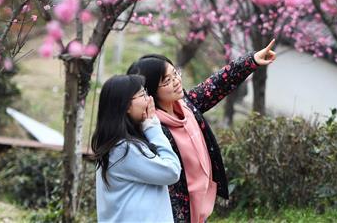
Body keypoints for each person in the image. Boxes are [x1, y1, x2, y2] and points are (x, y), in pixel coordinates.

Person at [127, 39, 277, 223]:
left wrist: (251, 61)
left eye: (175, 74)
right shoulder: (152, 130)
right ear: (150, 90)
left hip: (201, 206)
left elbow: (216, 84)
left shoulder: (187, 106)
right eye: (167, 81)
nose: (176, 82)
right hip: (176, 213)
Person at [91, 74, 182, 223]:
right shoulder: (124, 150)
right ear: (126, 105)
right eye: (142, 94)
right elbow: (172, 171)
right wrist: (153, 128)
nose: (149, 99)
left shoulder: (117, 146)